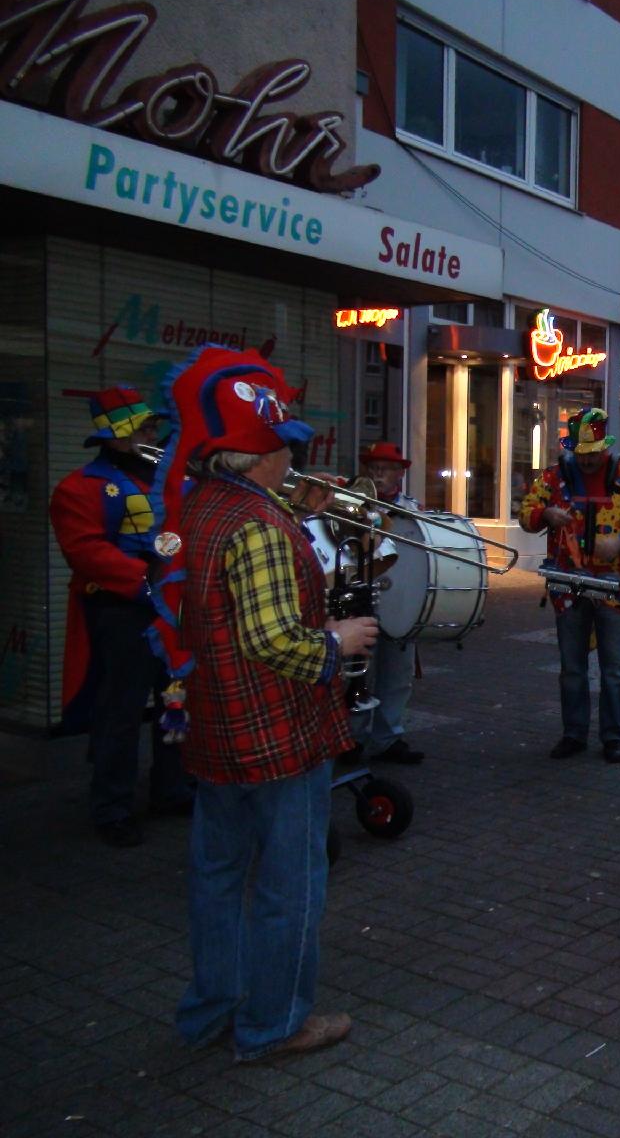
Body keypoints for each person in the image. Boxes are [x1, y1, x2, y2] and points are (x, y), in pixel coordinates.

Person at [149, 345, 378, 1061]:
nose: (293, 459)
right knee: (289, 885)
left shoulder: (203, 505)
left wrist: (298, 511)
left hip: (216, 728)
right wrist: (338, 640)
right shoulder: (261, 527)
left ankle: (210, 1010)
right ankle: (274, 1024)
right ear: (260, 456)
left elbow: (224, 604)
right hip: (278, 733)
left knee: (217, 878)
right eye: (285, 448)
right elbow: (274, 639)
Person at [49, 386, 194, 847]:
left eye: (152, 426)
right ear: (113, 435)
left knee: (176, 703)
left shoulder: (172, 479)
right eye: (141, 428)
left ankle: (172, 788)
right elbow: (86, 552)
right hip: (123, 613)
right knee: (121, 712)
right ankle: (112, 806)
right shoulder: (78, 487)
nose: (151, 434)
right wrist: (149, 580)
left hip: (171, 610)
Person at [518, 408, 620, 764]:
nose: (588, 459)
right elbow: (526, 514)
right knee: (572, 668)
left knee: (615, 671)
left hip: (616, 588)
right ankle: (574, 734)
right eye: (582, 453)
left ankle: (613, 737)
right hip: (568, 586)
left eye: (594, 452)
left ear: (605, 446)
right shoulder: (554, 477)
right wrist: (545, 514)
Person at [346, 441, 423, 765]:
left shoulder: (413, 511)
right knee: (357, 674)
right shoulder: (353, 504)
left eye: (386, 469)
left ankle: (387, 738)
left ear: (399, 475)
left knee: (397, 675)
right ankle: (352, 739)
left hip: (401, 600)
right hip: (360, 598)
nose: (378, 475)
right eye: (374, 468)